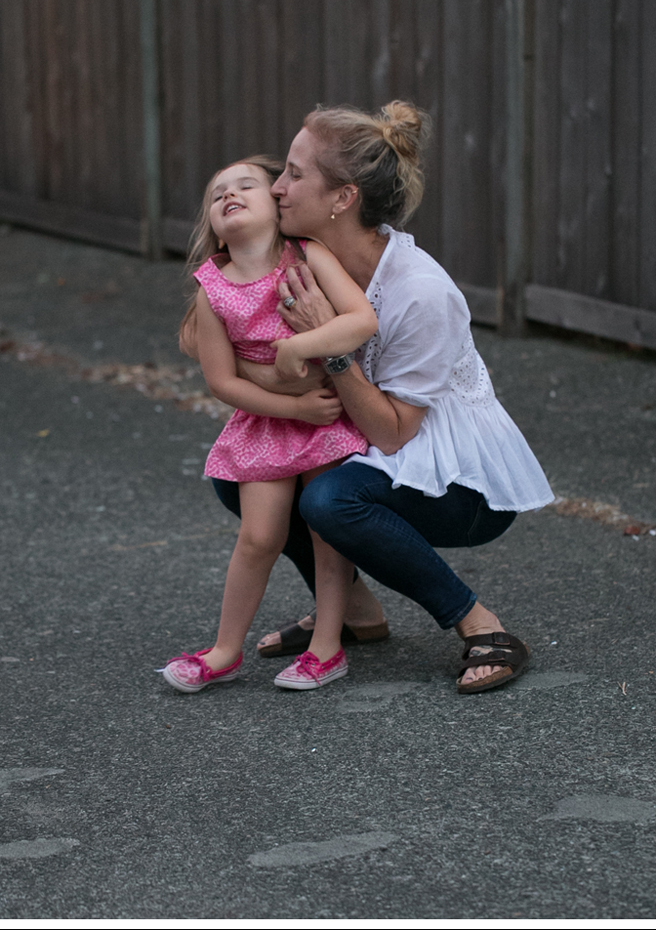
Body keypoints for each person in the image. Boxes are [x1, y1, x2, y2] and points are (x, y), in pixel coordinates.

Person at [222, 102, 554, 693]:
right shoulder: (299, 262)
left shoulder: (421, 293)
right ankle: (352, 613)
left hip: (461, 480)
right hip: (378, 443)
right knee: (243, 469)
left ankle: (482, 626)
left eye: (295, 175)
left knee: (331, 501)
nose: (276, 188)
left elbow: (395, 431)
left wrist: (330, 345)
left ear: (342, 199)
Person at [159, 156, 378, 693]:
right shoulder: (212, 288)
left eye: (246, 186)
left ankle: (327, 649)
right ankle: (224, 649)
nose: (229, 195)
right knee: (258, 537)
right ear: (212, 221)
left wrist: (299, 349)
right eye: (218, 193)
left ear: (277, 205)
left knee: (328, 536)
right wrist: (293, 408)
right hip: (272, 422)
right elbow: (222, 382)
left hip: (327, 420)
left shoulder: (306, 257)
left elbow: (361, 319)